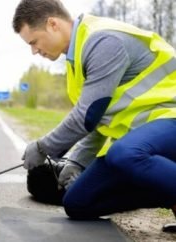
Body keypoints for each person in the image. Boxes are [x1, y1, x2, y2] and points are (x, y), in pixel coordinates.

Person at [13, 0, 176, 222]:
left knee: (125, 154)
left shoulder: (103, 41)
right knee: (77, 202)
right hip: (145, 139)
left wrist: (42, 147)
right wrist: (76, 162)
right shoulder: (76, 60)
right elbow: (99, 121)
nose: (34, 51)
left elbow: (87, 116)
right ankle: (169, 192)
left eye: (34, 41)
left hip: (170, 120)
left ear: (53, 24)